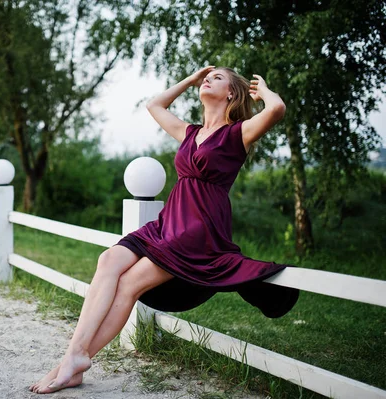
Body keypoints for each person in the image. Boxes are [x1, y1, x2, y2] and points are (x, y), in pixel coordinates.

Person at [29, 66, 299, 394]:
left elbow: (277, 110)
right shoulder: (189, 132)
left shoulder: (237, 134)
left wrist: (264, 90)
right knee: (108, 261)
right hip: (168, 223)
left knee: (128, 285)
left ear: (230, 94)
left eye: (217, 78)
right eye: (206, 78)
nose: (207, 80)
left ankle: (71, 363)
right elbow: (154, 105)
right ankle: (75, 356)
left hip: (197, 230)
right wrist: (190, 79)